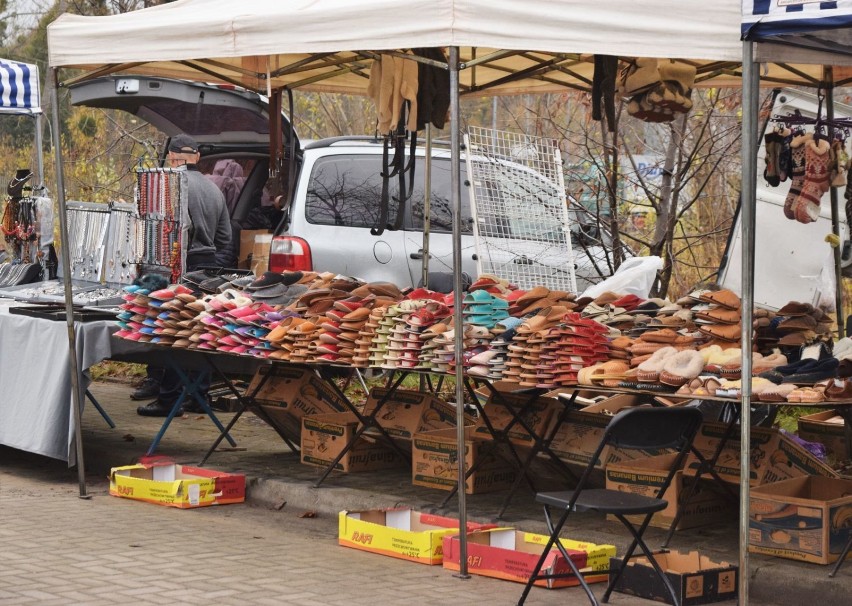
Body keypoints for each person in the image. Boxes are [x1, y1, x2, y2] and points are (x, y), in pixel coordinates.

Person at [137, 133, 232, 417]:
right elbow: (226, 238)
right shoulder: (215, 190)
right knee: (198, 332)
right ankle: (199, 397)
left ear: (173, 156)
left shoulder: (166, 185)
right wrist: (216, 271)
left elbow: (153, 232)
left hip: (176, 265)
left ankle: (168, 399)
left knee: (171, 332)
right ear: (198, 158)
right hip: (207, 266)